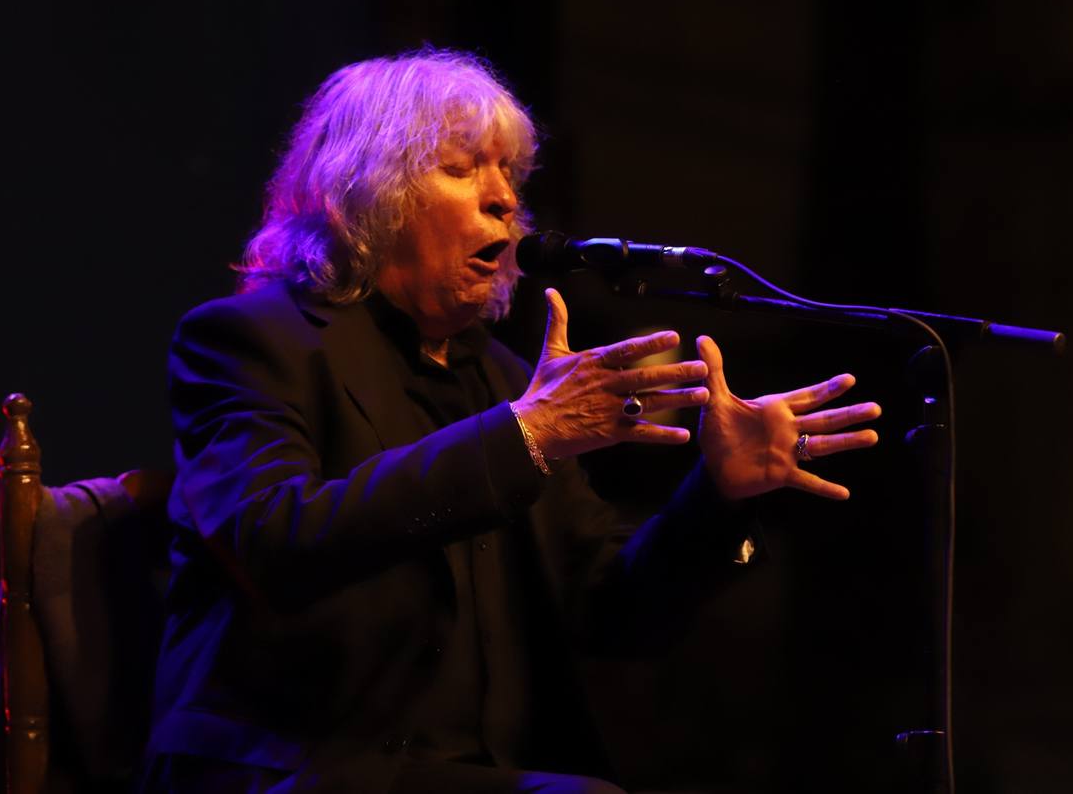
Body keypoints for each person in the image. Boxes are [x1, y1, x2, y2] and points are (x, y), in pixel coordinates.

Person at [140, 50, 881, 794]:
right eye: (463, 169)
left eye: (511, 178)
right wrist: (525, 437)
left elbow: (615, 615)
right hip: (292, 767)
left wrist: (719, 498)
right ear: (364, 194)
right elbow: (270, 541)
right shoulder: (253, 341)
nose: (506, 203)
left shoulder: (496, 375)